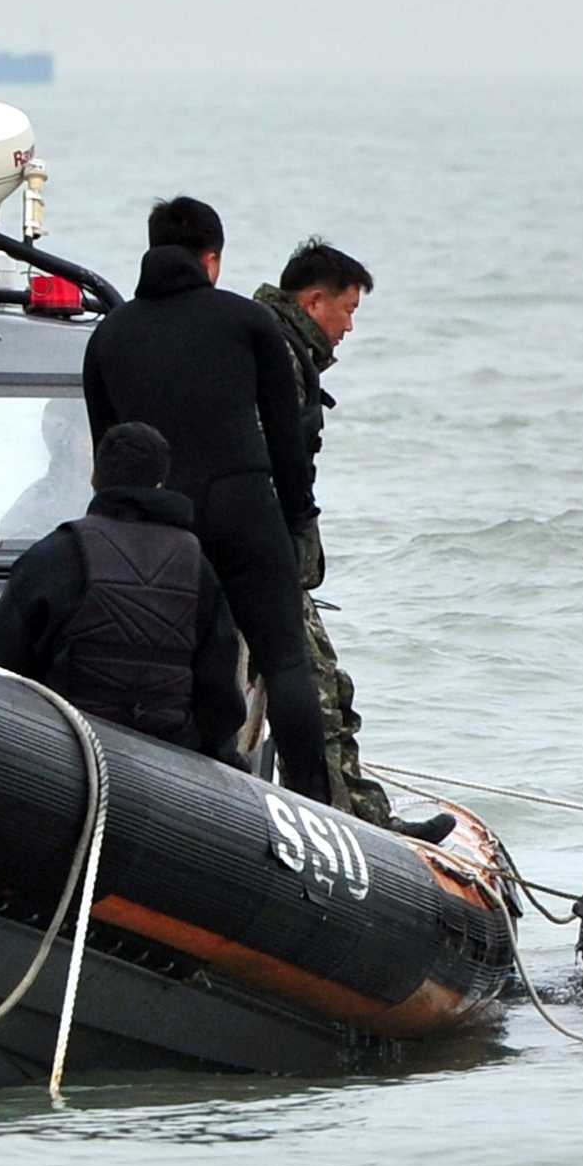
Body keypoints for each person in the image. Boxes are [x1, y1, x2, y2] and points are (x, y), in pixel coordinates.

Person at [80, 196, 333, 805]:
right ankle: (319, 812)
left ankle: (197, 800)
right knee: (285, 662)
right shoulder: (247, 323)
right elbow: (285, 437)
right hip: (247, 508)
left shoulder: (108, 338)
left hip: (165, 527)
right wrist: (299, 518)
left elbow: (108, 457)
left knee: (191, 666)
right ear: (211, 259)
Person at [0, 423, 248, 766]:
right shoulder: (198, 567)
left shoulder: (55, 554)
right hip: (172, 761)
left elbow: (1, 661)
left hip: (69, 756)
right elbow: (220, 694)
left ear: (95, 477)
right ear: (161, 481)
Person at [251, 237, 391, 825]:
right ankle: (348, 817)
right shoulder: (279, 357)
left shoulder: (268, 346)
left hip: (246, 543)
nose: (350, 327)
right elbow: (270, 464)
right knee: (318, 687)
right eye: (348, 310)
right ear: (313, 303)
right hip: (257, 549)